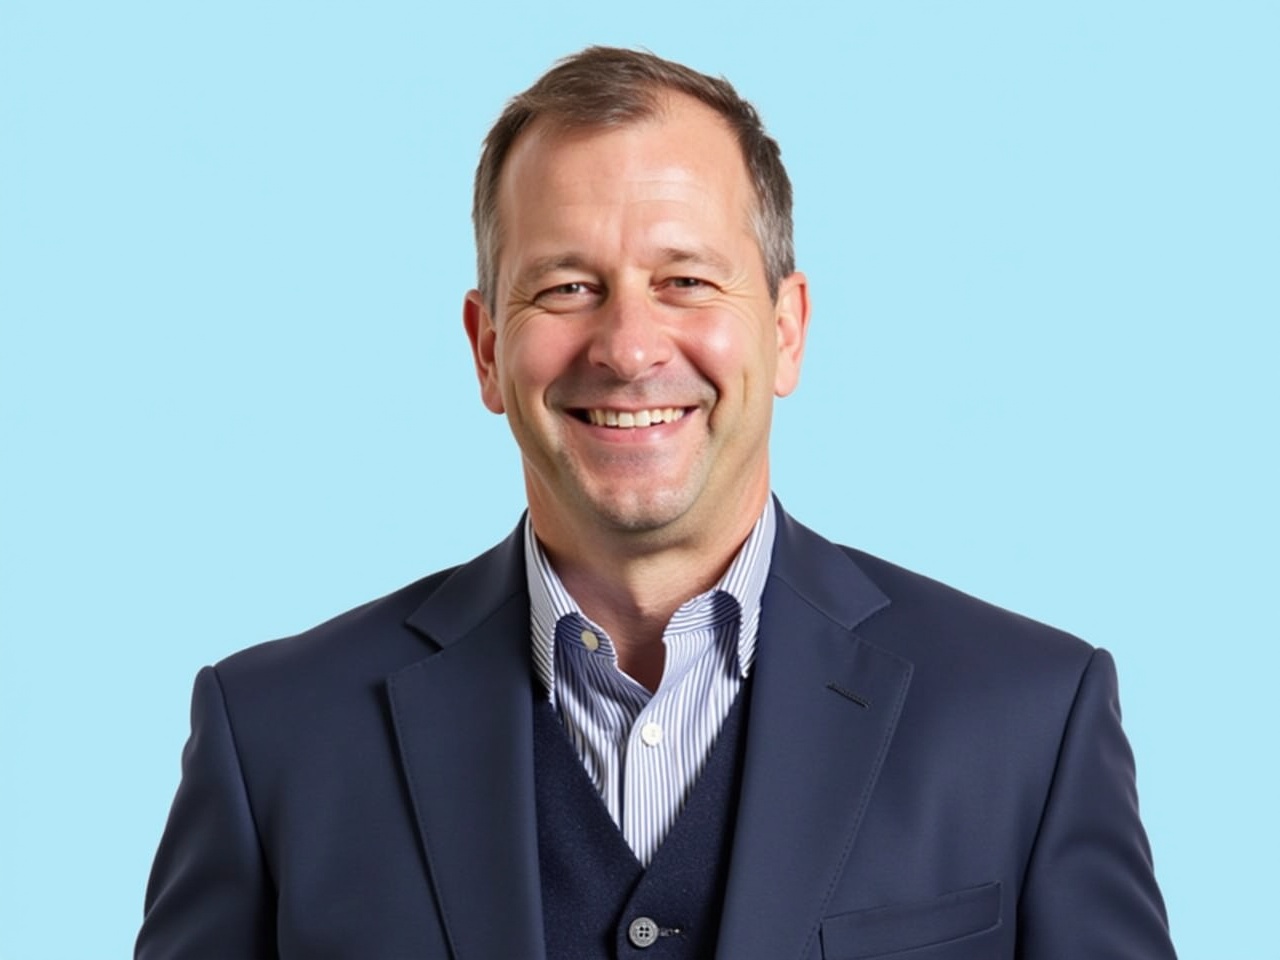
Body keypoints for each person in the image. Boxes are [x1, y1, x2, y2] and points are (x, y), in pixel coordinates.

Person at [137, 46, 1177, 959]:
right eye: (564, 287)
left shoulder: (1026, 719)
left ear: (787, 329)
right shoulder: (274, 738)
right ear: (487, 350)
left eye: (685, 281)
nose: (629, 347)